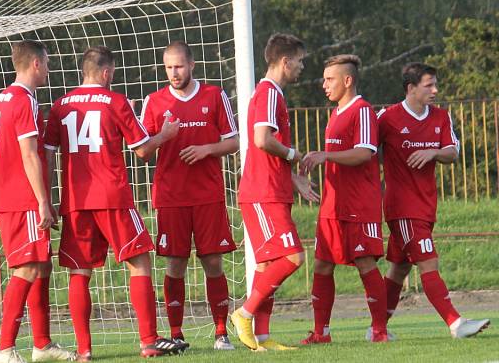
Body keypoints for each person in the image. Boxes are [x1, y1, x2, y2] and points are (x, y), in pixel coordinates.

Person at [43, 46, 186, 360]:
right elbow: (143, 150)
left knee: (79, 272)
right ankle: (148, 340)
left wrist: (49, 199)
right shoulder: (116, 101)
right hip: (112, 197)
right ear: (107, 73)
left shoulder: (59, 106)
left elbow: (48, 155)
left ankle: (84, 351)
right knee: (140, 263)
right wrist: (165, 134)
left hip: (75, 201)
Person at [378, 62, 490, 339]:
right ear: (411, 88)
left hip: (426, 205)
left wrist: (432, 152)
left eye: (435, 84)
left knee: (399, 268)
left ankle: (376, 327)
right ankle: (456, 323)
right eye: (429, 85)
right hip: (403, 207)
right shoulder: (387, 117)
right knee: (429, 263)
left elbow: (452, 152)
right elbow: (365, 148)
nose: (435, 90)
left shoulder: (440, 117)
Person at [139, 41, 239, 351]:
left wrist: (207, 149)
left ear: (192, 64)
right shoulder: (154, 102)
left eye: (179, 66)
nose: (174, 72)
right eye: (169, 67)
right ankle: (177, 333)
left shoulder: (214, 95)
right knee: (175, 264)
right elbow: (142, 150)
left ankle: (221, 332)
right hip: (170, 197)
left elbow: (233, 141)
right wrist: (163, 137)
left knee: (212, 261)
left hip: (208, 195)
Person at [230, 33, 319, 351]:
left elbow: (266, 150)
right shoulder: (269, 93)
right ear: (285, 61)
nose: (302, 67)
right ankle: (243, 313)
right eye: (300, 60)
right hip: (261, 192)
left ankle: (262, 338)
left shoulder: (273, 94)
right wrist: (294, 155)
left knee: (267, 266)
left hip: (273, 188)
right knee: (293, 257)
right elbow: (261, 140)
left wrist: (292, 178)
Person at [0, 40, 74, 363]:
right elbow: (28, 154)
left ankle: (41, 345)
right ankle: (5, 348)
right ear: (36, 64)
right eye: (48, 63)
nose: (49, 69)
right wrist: (42, 200)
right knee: (26, 268)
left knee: (41, 265)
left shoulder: (4, 98)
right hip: (21, 198)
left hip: (15, 195)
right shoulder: (25, 101)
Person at [299, 54, 388, 343]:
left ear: (347, 81)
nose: (324, 85)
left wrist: (326, 155)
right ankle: (321, 332)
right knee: (322, 265)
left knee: (365, 263)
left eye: (329, 79)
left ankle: (379, 331)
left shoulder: (362, 110)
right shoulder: (335, 114)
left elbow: (365, 152)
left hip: (359, 205)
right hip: (332, 205)